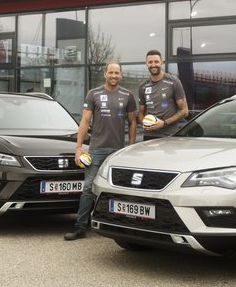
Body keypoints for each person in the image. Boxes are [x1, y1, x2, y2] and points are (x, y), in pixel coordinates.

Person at [64, 61, 137, 240]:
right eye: (110, 72)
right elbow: (85, 121)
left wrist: (131, 147)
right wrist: (79, 148)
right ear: (105, 74)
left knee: (118, 190)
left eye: (117, 73)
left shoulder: (127, 95)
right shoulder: (93, 94)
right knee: (88, 188)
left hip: (117, 152)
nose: (113, 76)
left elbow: (133, 122)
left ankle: (118, 228)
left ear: (121, 75)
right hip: (96, 150)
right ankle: (80, 227)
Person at [138, 49, 189, 140]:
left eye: (156, 61)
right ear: (146, 64)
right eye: (150, 62)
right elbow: (141, 113)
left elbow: (184, 111)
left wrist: (164, 123)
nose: (153, 65)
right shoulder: (143, 86)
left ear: (162, 62)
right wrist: (145, 124)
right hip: (148, 136)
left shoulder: (174, 82)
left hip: (169, 135)